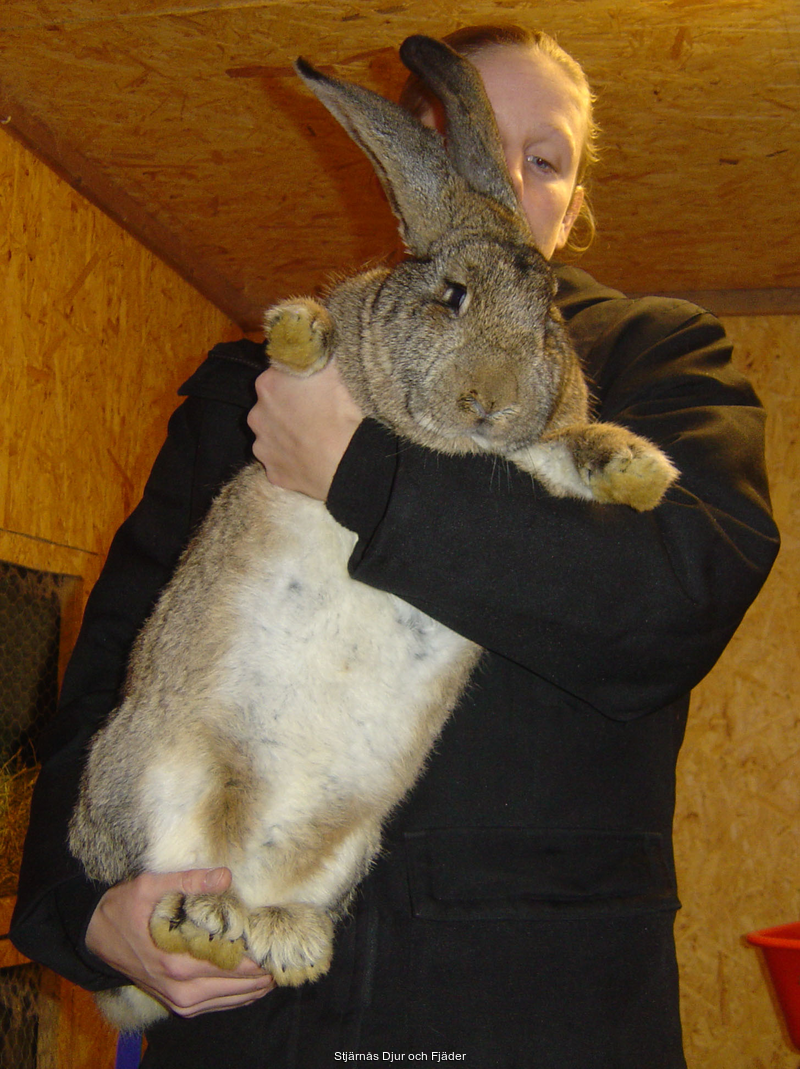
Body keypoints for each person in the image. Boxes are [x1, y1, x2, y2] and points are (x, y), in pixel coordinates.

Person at [10, 24, 779, 1069]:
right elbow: (116, 664)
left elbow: (674, 598)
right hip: (250, 1015)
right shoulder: (262, 383)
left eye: (545, 158)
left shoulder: (655, 356)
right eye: (478, 147)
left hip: (526, 1011)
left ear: (574, 204)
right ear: (420, 177)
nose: (511, 180)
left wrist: (356, 470)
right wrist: (89, 916)